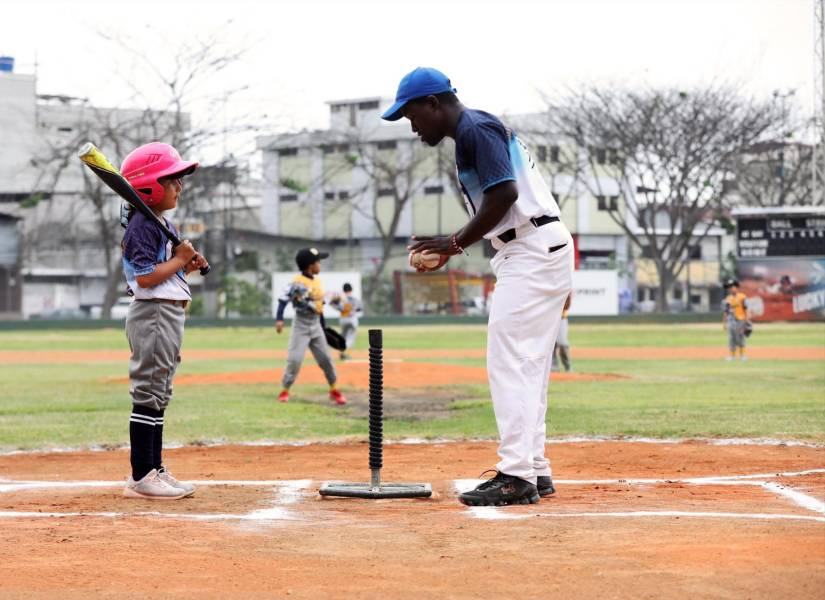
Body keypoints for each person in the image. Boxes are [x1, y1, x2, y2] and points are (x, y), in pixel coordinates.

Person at [385, 67, 573, 506]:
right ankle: (534, 468)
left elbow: (504, 195)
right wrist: (456, 243)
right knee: (529, 367)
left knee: (510, 364)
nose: (412, 127)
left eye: (412, 115)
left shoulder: (476, 128)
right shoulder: (476, 129)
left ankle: (516, 474)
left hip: (530, 249)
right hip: (533, 248)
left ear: (434, 103)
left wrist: (452, 244)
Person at [120, 142, 208, 500]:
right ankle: (141, 475)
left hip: (167, 313)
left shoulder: (161, 222)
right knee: (149, 391)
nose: (179, 186)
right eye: (172, 180)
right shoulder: (142, 225)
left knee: (160, 392)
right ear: (150, 188)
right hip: (152, 313)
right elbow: (144, 277)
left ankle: (154, 468)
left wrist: (185, 264)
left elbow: (166, 272)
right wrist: (180, 257)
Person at [275, 248, 346, 405]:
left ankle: (334, 389)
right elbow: (282, 299)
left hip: (316, 324)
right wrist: (279, 319)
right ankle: (285, 390)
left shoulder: (317, 281)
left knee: (326, 359)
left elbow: (319, 307)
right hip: (301, 325)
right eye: (318, 262)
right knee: (295, 360)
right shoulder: (298, 282)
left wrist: (324, 328)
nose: (320, 265)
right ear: (310, 265)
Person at [331, 283, 363, 360]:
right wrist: (353, 309)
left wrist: (337, 304)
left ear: (343, 290)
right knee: (351, 337)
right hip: (352, 319)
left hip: (343, 319)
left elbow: (333, 304)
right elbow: (360, 308)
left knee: (343, 336)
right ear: (351, 290)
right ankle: (344, 352)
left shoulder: (341, 299)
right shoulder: (355, 299)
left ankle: (341, 351)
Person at [723, 278, 748, 361]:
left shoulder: (743, 297)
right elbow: (726, 311)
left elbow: (746, 309)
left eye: (731, 286)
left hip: (741, 320)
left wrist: (746, 321)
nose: (730, 289)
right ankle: (732, 356)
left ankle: (742, 356)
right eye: (729, 287)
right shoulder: (728, 298)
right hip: (731, 320)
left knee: (740, 338)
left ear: (737, 287)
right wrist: (724, 323)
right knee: (731, 338)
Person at [551, 293, 572, 372]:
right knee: (551, 344)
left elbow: (567, 304)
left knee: (563, 343)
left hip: (561, 318)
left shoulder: (563, 287)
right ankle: (554, 366)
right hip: (548, 319)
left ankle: (567, 365)